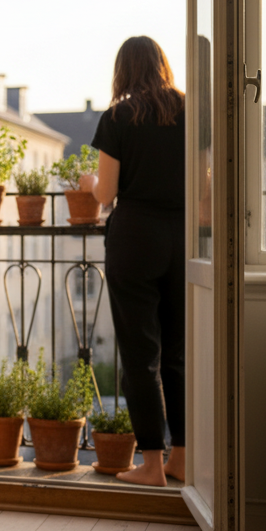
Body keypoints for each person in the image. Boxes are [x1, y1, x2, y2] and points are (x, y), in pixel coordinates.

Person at [84, 36, 186, 487]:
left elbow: (106, 194)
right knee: (177, 353)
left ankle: (149, 464)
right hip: (184, 239)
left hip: (134, 240)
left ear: (123, 70)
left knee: (140, 355)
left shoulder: (119, 115)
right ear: (162, 66)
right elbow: (203, 184)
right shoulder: (188, 110)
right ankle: (180, 457)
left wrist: (88, 181)